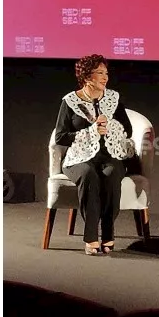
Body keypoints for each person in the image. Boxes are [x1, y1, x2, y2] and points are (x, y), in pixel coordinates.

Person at [53, 54, 135, 255]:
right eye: (100, 73)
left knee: (112, 175)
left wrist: (110, 125)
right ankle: (90, 237)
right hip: (79, 157)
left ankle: (108, 233)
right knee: (89, 175)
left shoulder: (113, 99)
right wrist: (90, 131)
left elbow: (128, 129)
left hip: (109, 155)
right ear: (87, 76)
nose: (105, 77)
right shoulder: (70, 101)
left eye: (106, 73)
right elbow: (60, 137)